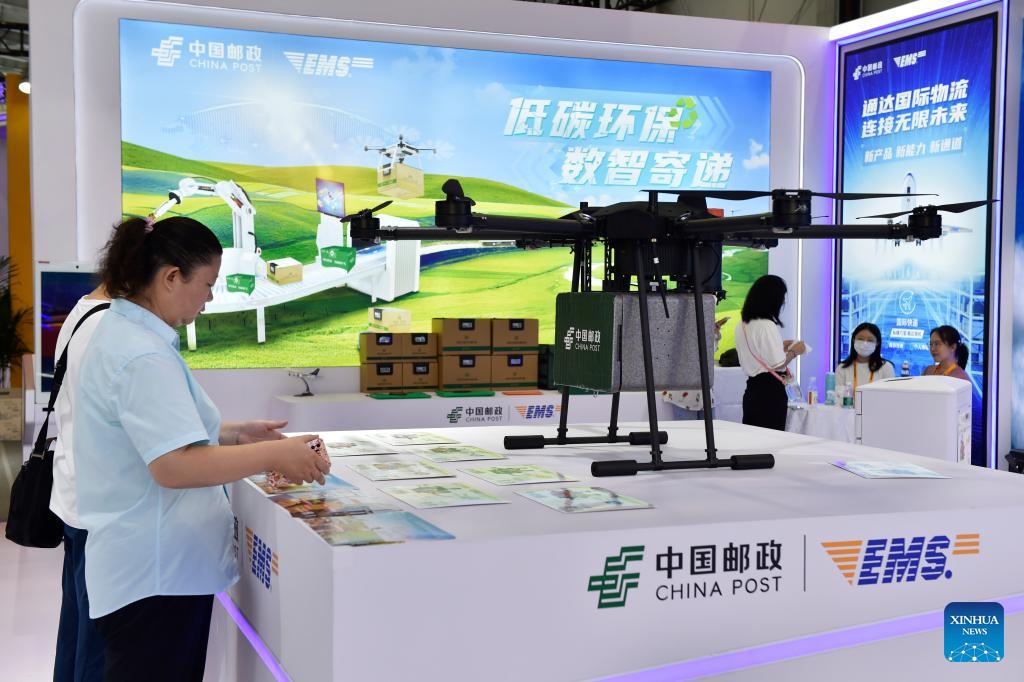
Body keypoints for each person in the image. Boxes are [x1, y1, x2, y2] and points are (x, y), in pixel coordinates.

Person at [72, 216, 330, 681]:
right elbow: (173, 465)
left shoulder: (130, 335)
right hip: (155, 577)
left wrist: (233, 434)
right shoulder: (141, 354)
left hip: (150, 572)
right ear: (172, 277)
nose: (209, 298)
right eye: (207, 284)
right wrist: (277, 454)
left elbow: (151, 434)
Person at [51, 284, 111, 682]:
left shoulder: (82, 311)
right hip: (96, 507)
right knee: (94, 646)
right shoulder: (108, 325)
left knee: (75, 633)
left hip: (74, 498)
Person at [735, 275, 807, 431]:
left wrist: (780, 346)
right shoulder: (766, 325)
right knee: (771, 439)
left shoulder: (742, 324)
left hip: (752, 389)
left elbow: (758, 353)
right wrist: (795, 351)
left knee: (752, 438)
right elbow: (778, 364)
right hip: (770, 393)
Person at [835, 322, 895, 393]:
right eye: (860, 339)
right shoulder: (842, 368)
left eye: (870, 340)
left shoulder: (886, 367)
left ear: (877, 343)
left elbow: (891, 395)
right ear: (853, 340)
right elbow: (838, 396)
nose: (865, 344)